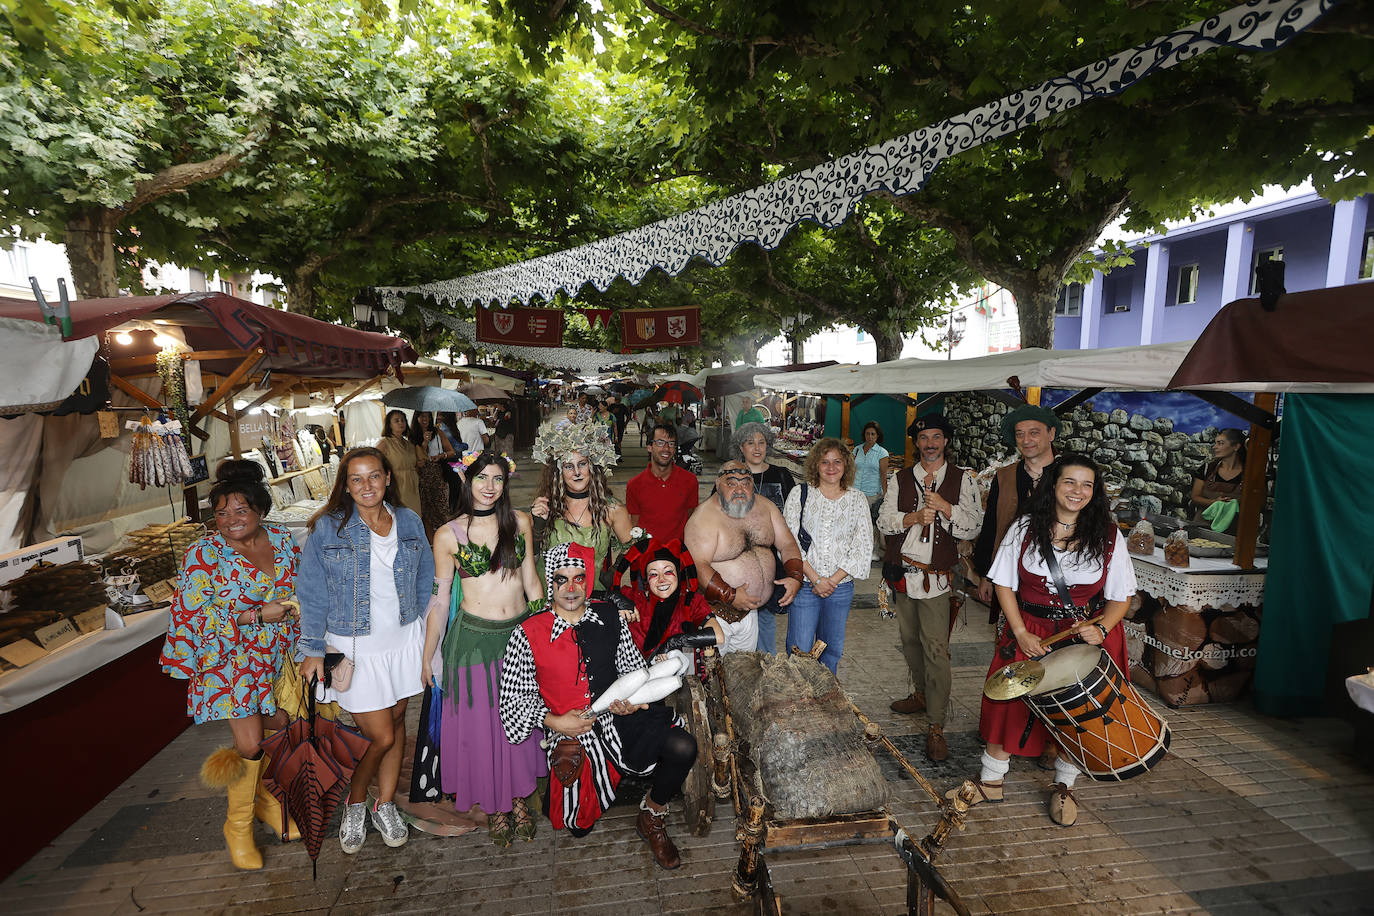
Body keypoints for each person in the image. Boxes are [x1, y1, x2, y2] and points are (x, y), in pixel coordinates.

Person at [952, 454, 1137, 827]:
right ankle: (991, 779)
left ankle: (1065, 785)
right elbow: (1004, 582)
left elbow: (1121, 596)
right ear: (1053, 484)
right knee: (1008, 700)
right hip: (1029, 627)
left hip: (1084, 636)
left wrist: (1101, 630)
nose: (1078, 491)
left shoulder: (1109, 535)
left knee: (1080, 710)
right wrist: (1020, 631)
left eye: (1087, 485)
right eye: (1070, 482)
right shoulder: (1024, 528)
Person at [499, 543, 699, 869]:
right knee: (579, 827)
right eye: (561, 580)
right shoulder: (528, 632)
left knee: (683, 746)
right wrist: (556, 721)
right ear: (549, 583)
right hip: (572, 731)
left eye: (579, 578)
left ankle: (652, 814)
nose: (571, 588)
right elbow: (512, 704)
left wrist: (633, 704)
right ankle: (585, 781)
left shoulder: (608, 615)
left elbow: (634, 670)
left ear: (588, 580)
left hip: (617, 717)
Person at [160, 460, 301, 870]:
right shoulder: (203, 555)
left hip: (278, 657)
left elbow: (300, 590)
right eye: (221, 513)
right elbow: (189, 617)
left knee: (283, 728)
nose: (230, 520)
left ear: (260, 510)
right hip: (229, 660)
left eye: (240, 511)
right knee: (251, 743)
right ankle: (237, 827)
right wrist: (256, 616)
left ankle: (266, 800)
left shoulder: (282, 538)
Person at [297, 447, 436, 854]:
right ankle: (356, 802)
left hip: (404, 640)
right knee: (380, 734)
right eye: (356, 479)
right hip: (355, 646)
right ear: (346, 484)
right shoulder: (328, 528)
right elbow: (312, 592)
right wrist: (312, 648)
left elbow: (425, 573)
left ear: (388, 478)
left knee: (397, 723)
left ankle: (385, 802)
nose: (366, 486)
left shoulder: (407, 520)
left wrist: (429, 630)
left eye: (374, 476)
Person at [422, 452, 547, 847]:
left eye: (497, 479)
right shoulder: (447, 534)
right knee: (483, 728)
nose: (490, 486)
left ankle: (518, 798)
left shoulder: (520, 522)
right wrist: (429, 654)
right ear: (467, 481)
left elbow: (532, 584)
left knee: (518, 723)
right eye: (482, 479)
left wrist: (547, 633)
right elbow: (440, 601)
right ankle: (495, 807)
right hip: (472, 642)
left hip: (518, 635)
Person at [877, 415, 983, 761]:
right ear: (917, 442)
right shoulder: (901, 478)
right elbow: (883, 520)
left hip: (936, 580)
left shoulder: (962, 480)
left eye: (937, 437)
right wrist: (910, 518)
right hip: (904, 575)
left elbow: (971, 527)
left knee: (936, 651)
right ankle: (921, 695)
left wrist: (946, 508)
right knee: (909, 643)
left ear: (946, 442)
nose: (930, 443)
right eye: (924, 437)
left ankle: (936, 725)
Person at [683, 461, 805, 655]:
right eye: (731, 483)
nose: (740, 489)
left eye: (746, 483)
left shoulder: (766, 507)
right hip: (714, 614)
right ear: (717, 483)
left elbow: (787, 544)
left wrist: (795, 575)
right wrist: (729, 595)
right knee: (711, 675)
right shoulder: (703, 518)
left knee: (743, 674)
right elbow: (697, 565)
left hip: (750, 613)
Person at [783, 439, 873, 675]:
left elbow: (862, 545)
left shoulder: (857, 499)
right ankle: (799, 702)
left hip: (840, 588)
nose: (831, 467)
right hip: (804, 585)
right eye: (824, 462)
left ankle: (826, 702)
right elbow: (789, 541)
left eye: (837, 461)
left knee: (831, 651)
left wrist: (832, 580)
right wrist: (816, 579)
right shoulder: (799, 494)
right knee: (800, 649)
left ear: (846, 465)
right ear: (815, 465)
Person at [972, 405, 1061, 608]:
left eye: (1034, 432)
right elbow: (991, 527)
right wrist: (987, 574)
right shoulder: (1004, 476)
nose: (1026, 440)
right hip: (1008, 577)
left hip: (1054, 579)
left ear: (1051, 433)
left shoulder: (1070, 474)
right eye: (1020, 434)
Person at [531, 418, 635, 589]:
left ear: (592, 467)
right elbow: (529, 560)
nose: (577, 472)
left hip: (593, 595)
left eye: (582, 464)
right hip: (550, 594)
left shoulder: (612, 509)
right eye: (568, 467)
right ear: (558, 472)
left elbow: (632, 547)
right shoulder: (546, 506)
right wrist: (537, 527)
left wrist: (614, 571)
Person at [732, 421, 795, 652]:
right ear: (741, 447)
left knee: (766, 619)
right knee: (740, 618)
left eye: (761, 442)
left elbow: (793, 517)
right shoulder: (730, 477)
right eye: (750, 443)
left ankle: (767, 668)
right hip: (739, 561)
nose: (757, 448)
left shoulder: (782, 475)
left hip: (773, 562)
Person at [612, 536, 727, 659]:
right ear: (646, 580)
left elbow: (718, 636)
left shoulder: (691, 601)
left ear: (678, 573)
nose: (662, 580)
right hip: (635, 675)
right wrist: (615, 598)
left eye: (668, 572)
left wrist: (672, 642)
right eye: (654, 574)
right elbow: (592, 598)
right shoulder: (633, 598)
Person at [626, 422, 700, 544]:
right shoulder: (635, 485)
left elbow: (691, 518)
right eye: (660, 443)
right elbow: (635, 525)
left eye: (671, 444)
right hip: (647, 554)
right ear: (649, 447)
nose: (666, 449)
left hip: (678, 552)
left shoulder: (689, 481)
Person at [411, 411, 458, 541]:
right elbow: (417, 458)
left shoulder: (437, 432)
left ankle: (449, 538)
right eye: (422, 416)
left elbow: (451, 452)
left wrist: (441, 456)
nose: (425, 419)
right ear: (417, 418)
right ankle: (432, 542)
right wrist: (425, 442)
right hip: (421, 475)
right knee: (426, 510)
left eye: (428, 416)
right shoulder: (412, 436)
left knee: (442, 507)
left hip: (437, 473)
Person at [1190, 428, 1247, 532]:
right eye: (1215, 443)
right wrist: (1213, 502)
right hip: (1202, 527)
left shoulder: (1249, 475)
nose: (1215, 447)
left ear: (1236, 446)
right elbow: (1195, 497)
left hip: (1233, 532)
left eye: (1220, 443)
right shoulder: (1207, 469)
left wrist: (1234, 504)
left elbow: (1258, 504)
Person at [375, 408, 424, 516]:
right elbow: (374, 462)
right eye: (396, 421)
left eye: (403, 420)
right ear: (389, 424)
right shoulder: (385, 443)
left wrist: (417, 465)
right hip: (397, 485)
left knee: (415, 515)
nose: (401, 423)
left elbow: (414, 463)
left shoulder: (409, 444)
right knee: (402, 515)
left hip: (412, 484)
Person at [852, 421, 891, 521]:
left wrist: (886, 496)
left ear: (877, 436)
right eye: (867, 433)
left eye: (873, 434)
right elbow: (851, 471)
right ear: (864, 435)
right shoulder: (857, 449)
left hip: (871, 495)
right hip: (855, 493)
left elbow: (883, 476)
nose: (870, 436)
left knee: (868, 524)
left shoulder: (882, 453)